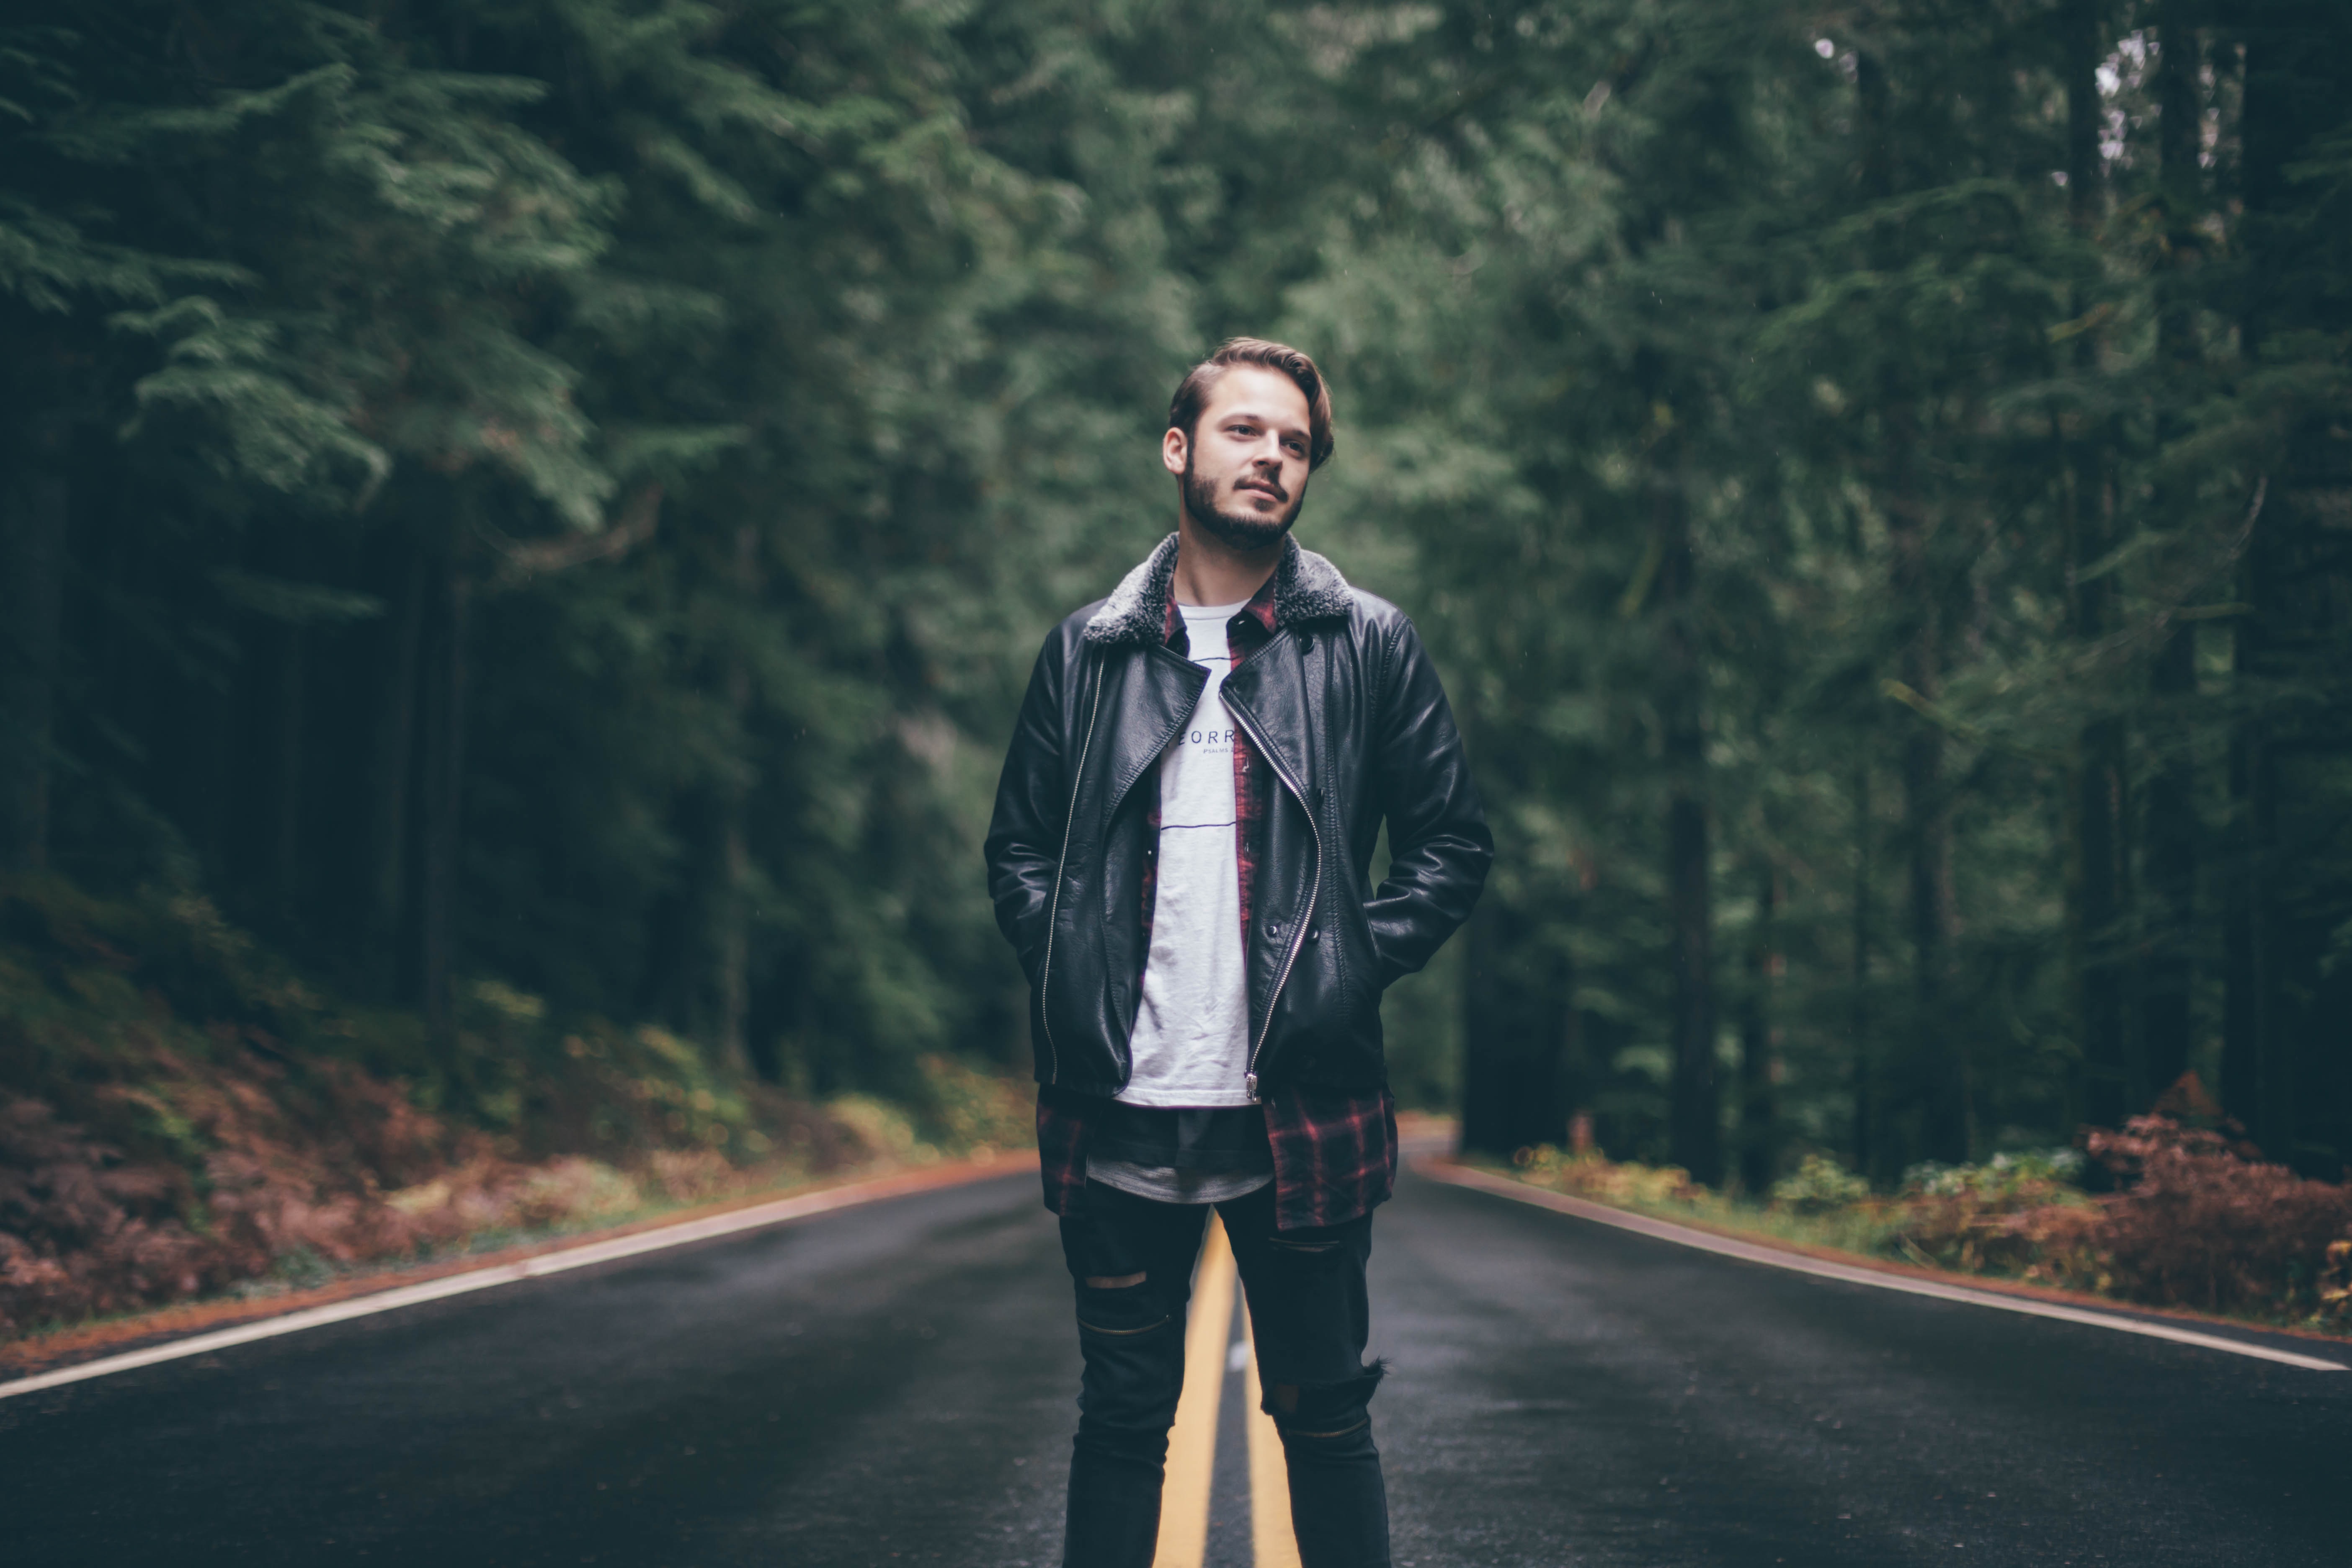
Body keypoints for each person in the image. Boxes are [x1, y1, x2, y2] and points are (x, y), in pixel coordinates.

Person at [984, 338, 1491, 1568]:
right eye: (1244, 431)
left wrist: (1348, 966)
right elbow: (1019, 853)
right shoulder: (1090, 653)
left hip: (1302, 1111)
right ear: (1180, 448)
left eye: (1296, 444)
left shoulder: (1365, 644)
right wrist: (1072, 974)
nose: (1272, 457)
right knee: (1120, 1424)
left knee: (1323, 1422)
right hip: (1118, 1112)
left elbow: (1450, 844)